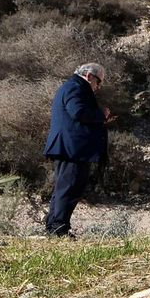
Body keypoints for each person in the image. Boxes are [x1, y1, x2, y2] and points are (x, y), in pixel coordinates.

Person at [43, 62, 110, 236]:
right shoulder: (76, 88)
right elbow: (78, 112)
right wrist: (100, 115)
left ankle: (54, 225)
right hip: (72, 148)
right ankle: (58, 228)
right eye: (99, 82)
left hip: (70, 147)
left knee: (64, 186)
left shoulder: (71, 86)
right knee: (70, 187)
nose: (98, 87)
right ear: (89, 76)